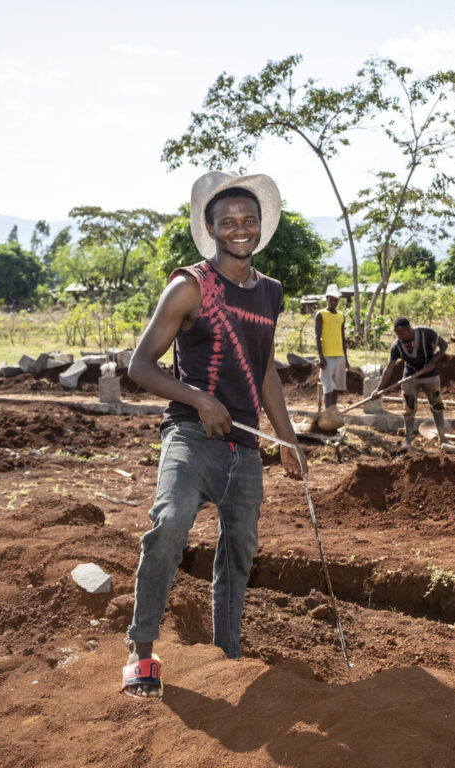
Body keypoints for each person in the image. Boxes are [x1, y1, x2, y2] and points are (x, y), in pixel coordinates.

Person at [121, 171, 307, 698]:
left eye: (249, 220)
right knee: (171, 522)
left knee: (241, 546)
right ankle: (141, 651)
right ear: (210, 229)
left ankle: (228, 651)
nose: (240, 228)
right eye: (228, 222)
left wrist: (288, 440)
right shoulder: (189, 286)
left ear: (262, 225)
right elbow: (139, 366)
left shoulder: (271, 292)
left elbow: (265, 370)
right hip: (190, 435)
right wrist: (199, 398)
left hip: (244, 447)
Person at [372, 316, 448, 450]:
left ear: (409, 329)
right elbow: (389, 367)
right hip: (410, 377)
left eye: (401, 333)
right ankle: (408, 441)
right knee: (409, 408)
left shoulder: (427, 333)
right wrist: (379, 389)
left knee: (437, 406)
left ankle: (443, 439)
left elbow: (444, 345)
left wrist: (432, 362)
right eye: (396, 334)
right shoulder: (396, 345)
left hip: (431, 376)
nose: (399, 337)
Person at [314, 284, 350, 409]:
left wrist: (346, 359)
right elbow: (317, 337)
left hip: (340, 356)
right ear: (327, 298)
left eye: (336, 299)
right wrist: (321, 358)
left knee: (336, 388)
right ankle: (327, 416)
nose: (334, 301)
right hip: (327, 357)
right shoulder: (321, 314)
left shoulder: (341, 316)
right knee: (328, 388)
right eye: (332, 299)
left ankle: (333, 414)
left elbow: (342, 337)